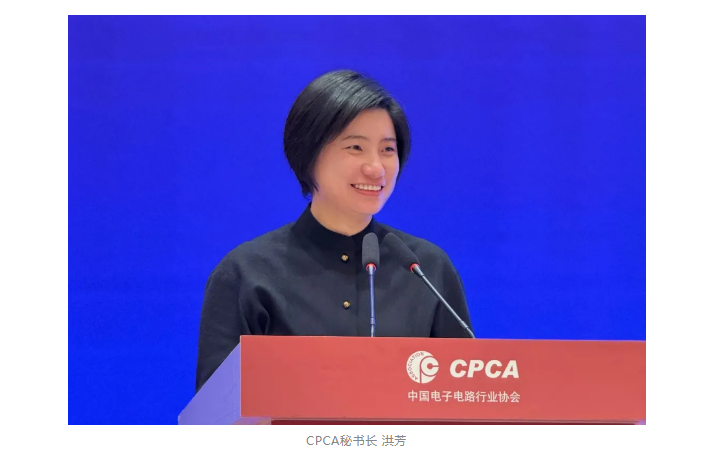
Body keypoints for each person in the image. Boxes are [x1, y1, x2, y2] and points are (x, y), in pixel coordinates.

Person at [195, 70, 473, 391]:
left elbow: (463, 396)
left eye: (387, 149)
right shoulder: (246, 273)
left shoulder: (426, 269)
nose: (375, 168)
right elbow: (215, 410)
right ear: (309, 153)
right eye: (355, 147)